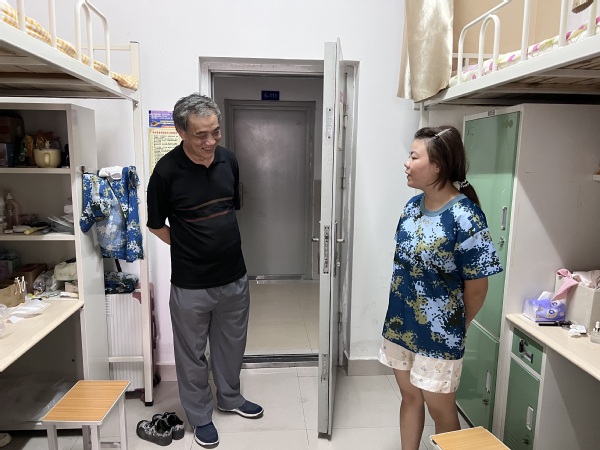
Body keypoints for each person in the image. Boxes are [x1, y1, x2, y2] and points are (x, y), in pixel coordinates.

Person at [146, 93, 263, 448]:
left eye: (215, 131)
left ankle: (230, 397)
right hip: (191, 283)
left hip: (234, 277)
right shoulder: (165, 172)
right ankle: (199, 416)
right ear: (181, 131)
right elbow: (156, 225)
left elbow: (231, 209)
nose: (211, 141)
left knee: (231, 345)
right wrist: (188, 247)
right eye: (201, 134)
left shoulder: (229, 160)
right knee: (192, 354)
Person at [379, 125, 502, 450]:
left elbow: (478, 288)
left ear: (437, 166)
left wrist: (456, 326)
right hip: (401, 326)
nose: (406, 163)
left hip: (440, 336)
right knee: (409, 397)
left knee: (441, 409)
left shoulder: (466, 217)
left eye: (413, 156)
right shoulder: (411, 208)